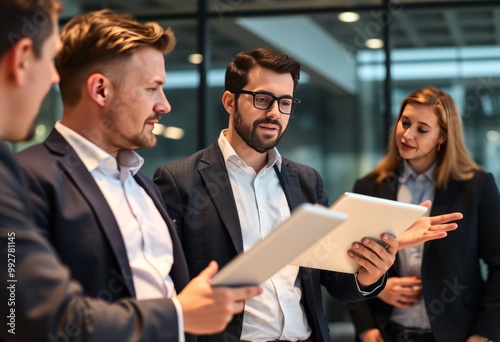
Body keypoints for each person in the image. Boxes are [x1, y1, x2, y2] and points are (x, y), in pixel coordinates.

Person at [153, 49, 462, 342]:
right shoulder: (179, 180)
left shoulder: (305, 180)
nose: (275, 112)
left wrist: (369, 274)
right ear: (229, 101)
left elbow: (332, 279)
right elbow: (164, 287)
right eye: (262, 99)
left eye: (285, 102)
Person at [1, 4, 260, 341]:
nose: (164, 105)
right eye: (152, 88)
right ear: (100, 90)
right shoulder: (26, 177)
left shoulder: (144, 185)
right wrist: (179, 314)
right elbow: (21, 318)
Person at [346, 87, 500, 342]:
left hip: (458, 335)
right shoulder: (369, 187)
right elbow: (347, 260)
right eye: (405, 123)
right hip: (385, 333)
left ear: (442, 137)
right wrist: (369, 313)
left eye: (422, 129)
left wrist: (483, 334)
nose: (407, 135)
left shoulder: (477, 186)